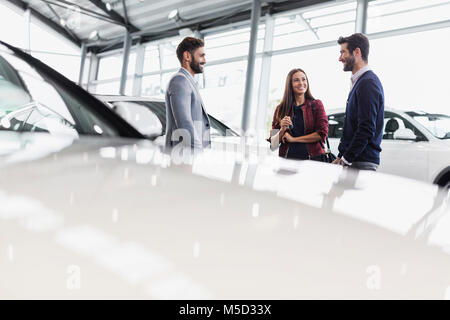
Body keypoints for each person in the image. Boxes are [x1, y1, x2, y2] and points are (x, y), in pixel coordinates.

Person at [333, 33, 384, 171]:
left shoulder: (368, 83)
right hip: (355, 161)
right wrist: (341, 156)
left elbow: (366, 128)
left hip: (360, 163)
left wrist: (345, 159)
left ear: (357, 52)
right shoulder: (360, 82)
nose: (340, 58)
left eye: (343, 52)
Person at [269, 68, 328, 161]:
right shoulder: (280, 109)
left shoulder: (316, 104)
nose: (301, 83)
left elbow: (321, 134)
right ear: (290, 85)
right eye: (296, 80)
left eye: (304, 79)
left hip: (313, 160)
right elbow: (273, 144)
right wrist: (282, 130)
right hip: (287, 160)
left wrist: (293, 139)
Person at [165, 37, 211, 150]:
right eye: (201, 56)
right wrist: (198, 152)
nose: (205, 60)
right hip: (184, 156)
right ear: (187, 56)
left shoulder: (188, 82)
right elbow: (184, 124)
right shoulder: (180, 81)